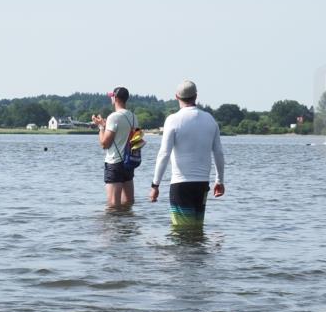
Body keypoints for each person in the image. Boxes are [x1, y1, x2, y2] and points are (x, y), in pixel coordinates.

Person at [149, 80, 226, 226]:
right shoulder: (210, 119)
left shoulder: (173, 120)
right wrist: (219, 181)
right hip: (202, 184)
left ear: (176, 96)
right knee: (197, 229)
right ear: (196, 96)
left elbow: (164, 154)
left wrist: (155, 185)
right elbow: (219, 153)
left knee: (181, 231)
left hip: (181, 185)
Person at [91, 87, 138, 208]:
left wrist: (101, 127)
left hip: (114, 163)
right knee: (128, 203)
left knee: (113, 206)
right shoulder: (133, 117)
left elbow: (104, 144)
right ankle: (127, 226)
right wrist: (106, 126)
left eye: (112, 96)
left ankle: (115, 227)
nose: (111, 98)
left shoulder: (113, 117)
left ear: (116, 98)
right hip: (129, 162)